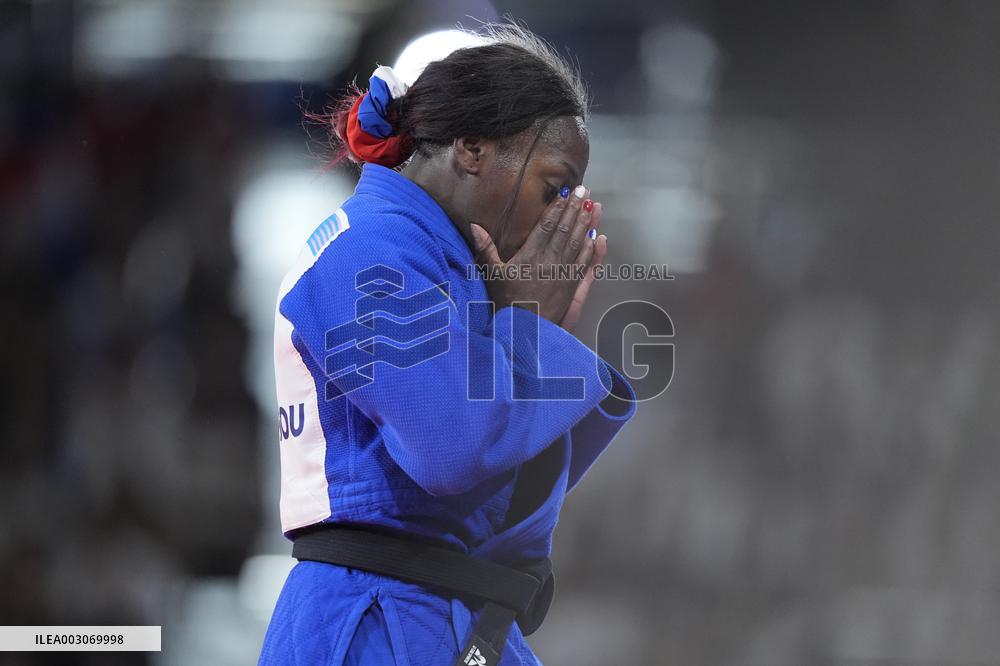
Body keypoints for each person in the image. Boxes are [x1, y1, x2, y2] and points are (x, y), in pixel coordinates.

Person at [259, 23, 638, 666]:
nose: (565, 215)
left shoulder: (442, 265)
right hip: (378, 620)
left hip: (441, 614)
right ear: (470, 148)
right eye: (556, 187)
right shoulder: (368, 250)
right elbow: (451, 452)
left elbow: (504, 496)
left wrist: (521, 331)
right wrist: (524, 329)